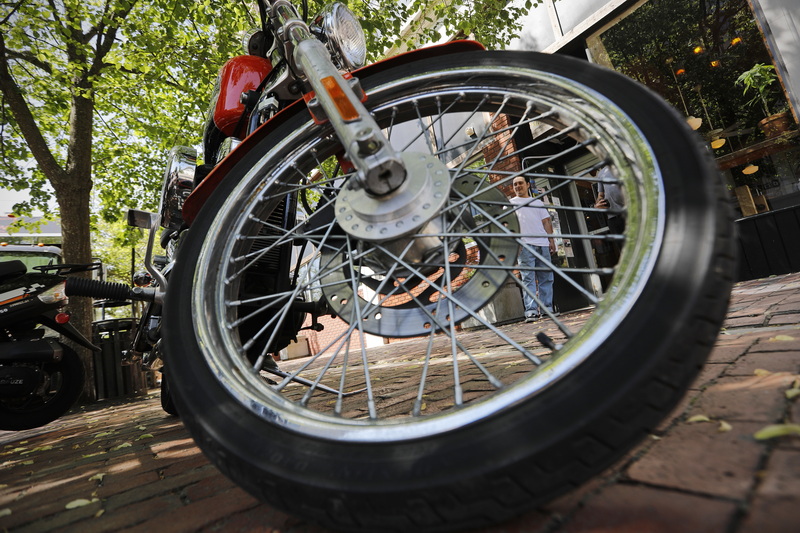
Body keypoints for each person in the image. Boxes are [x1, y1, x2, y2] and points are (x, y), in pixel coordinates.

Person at [510, 176, 556, 322]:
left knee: (546, 278)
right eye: (515, 184)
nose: (518, 186)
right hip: (524, 245)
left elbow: (546, 222)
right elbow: (507, 226)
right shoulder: (509, 204)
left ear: (527, 185)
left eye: (520, 183)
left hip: (542, 244)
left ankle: (547, 309)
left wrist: (551, 240)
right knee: (528, 278)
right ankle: (531, 311)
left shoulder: (537, 203)